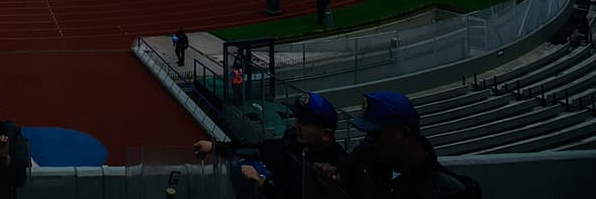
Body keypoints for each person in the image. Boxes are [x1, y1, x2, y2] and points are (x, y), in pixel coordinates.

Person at [330, 91, 481, 198]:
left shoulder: (448, 191)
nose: (370, 139)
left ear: (405, 133)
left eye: (377, 133)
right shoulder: (370, 162)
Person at [195, 92, 345, 199]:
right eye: (297, 119)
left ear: (326, 135)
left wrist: (263, 184)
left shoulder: (337, 169)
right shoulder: (292, 141)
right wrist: (215, 147)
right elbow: (261, 149)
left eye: (304, 123)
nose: (297, 125)